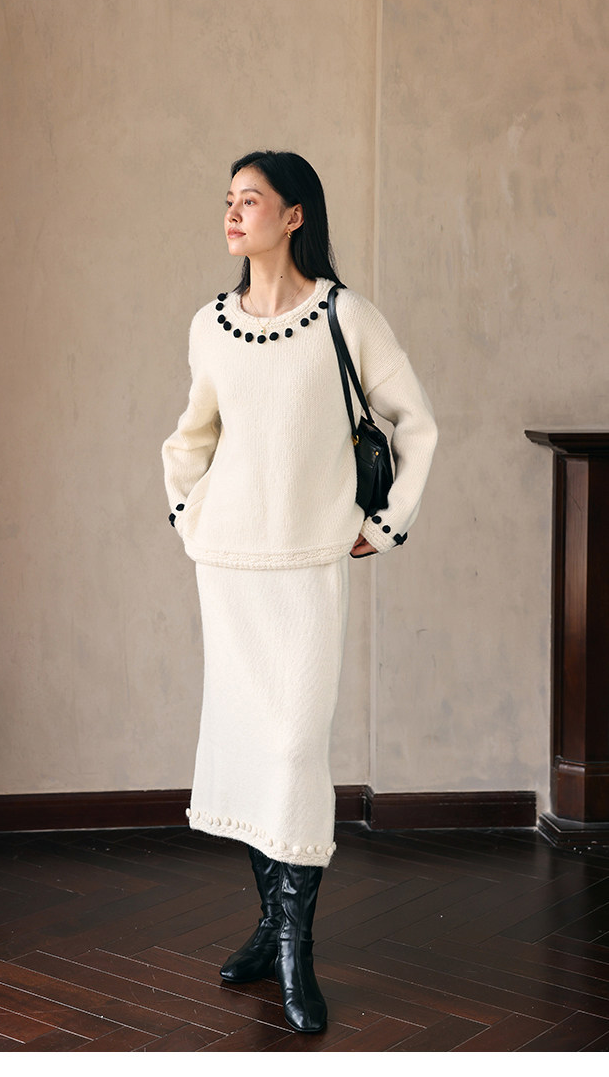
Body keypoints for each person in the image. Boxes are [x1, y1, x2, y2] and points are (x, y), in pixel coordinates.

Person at [161, 150, 438, 1034]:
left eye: (251, 200)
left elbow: (418, 423)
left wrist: (385, 525)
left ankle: (294, 949)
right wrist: (188, 515)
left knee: (290, 749)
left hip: (308, 568)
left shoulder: (346, 317)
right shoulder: (210, 325)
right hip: (230, 569)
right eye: (228, 199)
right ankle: (272, 929)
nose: (233, 213)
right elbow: (192, 436)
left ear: (294, 216)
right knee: (250, 747)